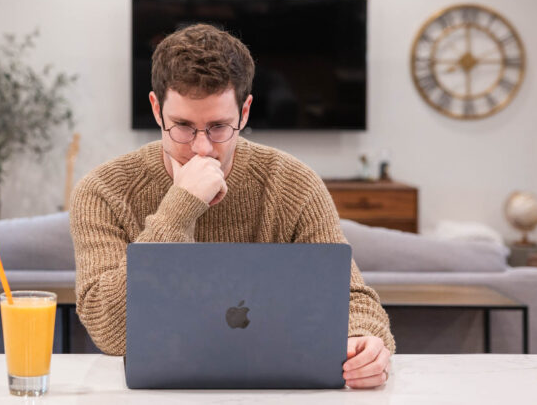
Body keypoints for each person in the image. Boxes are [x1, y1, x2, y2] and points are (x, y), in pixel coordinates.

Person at [70, 23, 394, 389]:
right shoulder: (103, 191)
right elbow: (109, 331)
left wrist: (366, 340)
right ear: (156, 108)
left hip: (276, 389)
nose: (202, 148)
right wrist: (181, 207)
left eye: (219, 126)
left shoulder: (293, 183)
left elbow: (352, 298)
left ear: (245, 111)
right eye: (182, 126)